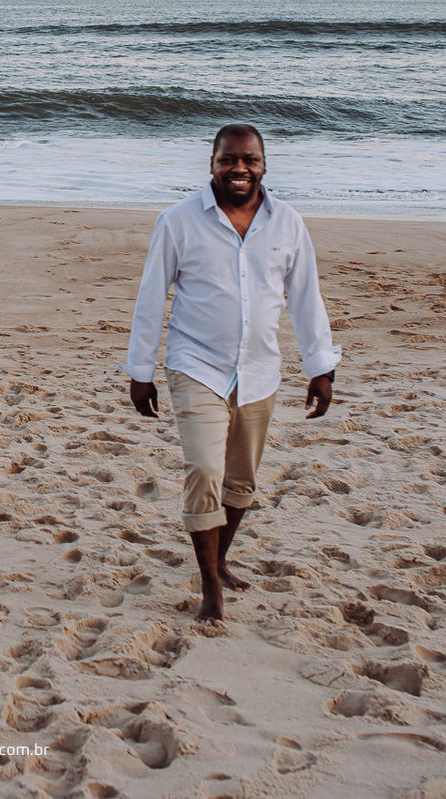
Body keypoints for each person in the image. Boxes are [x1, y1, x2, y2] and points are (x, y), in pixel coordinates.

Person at [120, 123, 340, 623]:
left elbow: (306, 299)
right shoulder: (177, 221)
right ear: (212, 164)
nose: (239, 168)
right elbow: (151, 297)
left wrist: (321, 368)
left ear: (264, 164)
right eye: (228, 160)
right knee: (205, 469)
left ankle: (219, 560)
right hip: (195, 364)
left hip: (260, 370)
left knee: (241, 481)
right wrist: (140, 370)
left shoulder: (287, 223)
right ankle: (209, 586)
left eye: (249, 160)